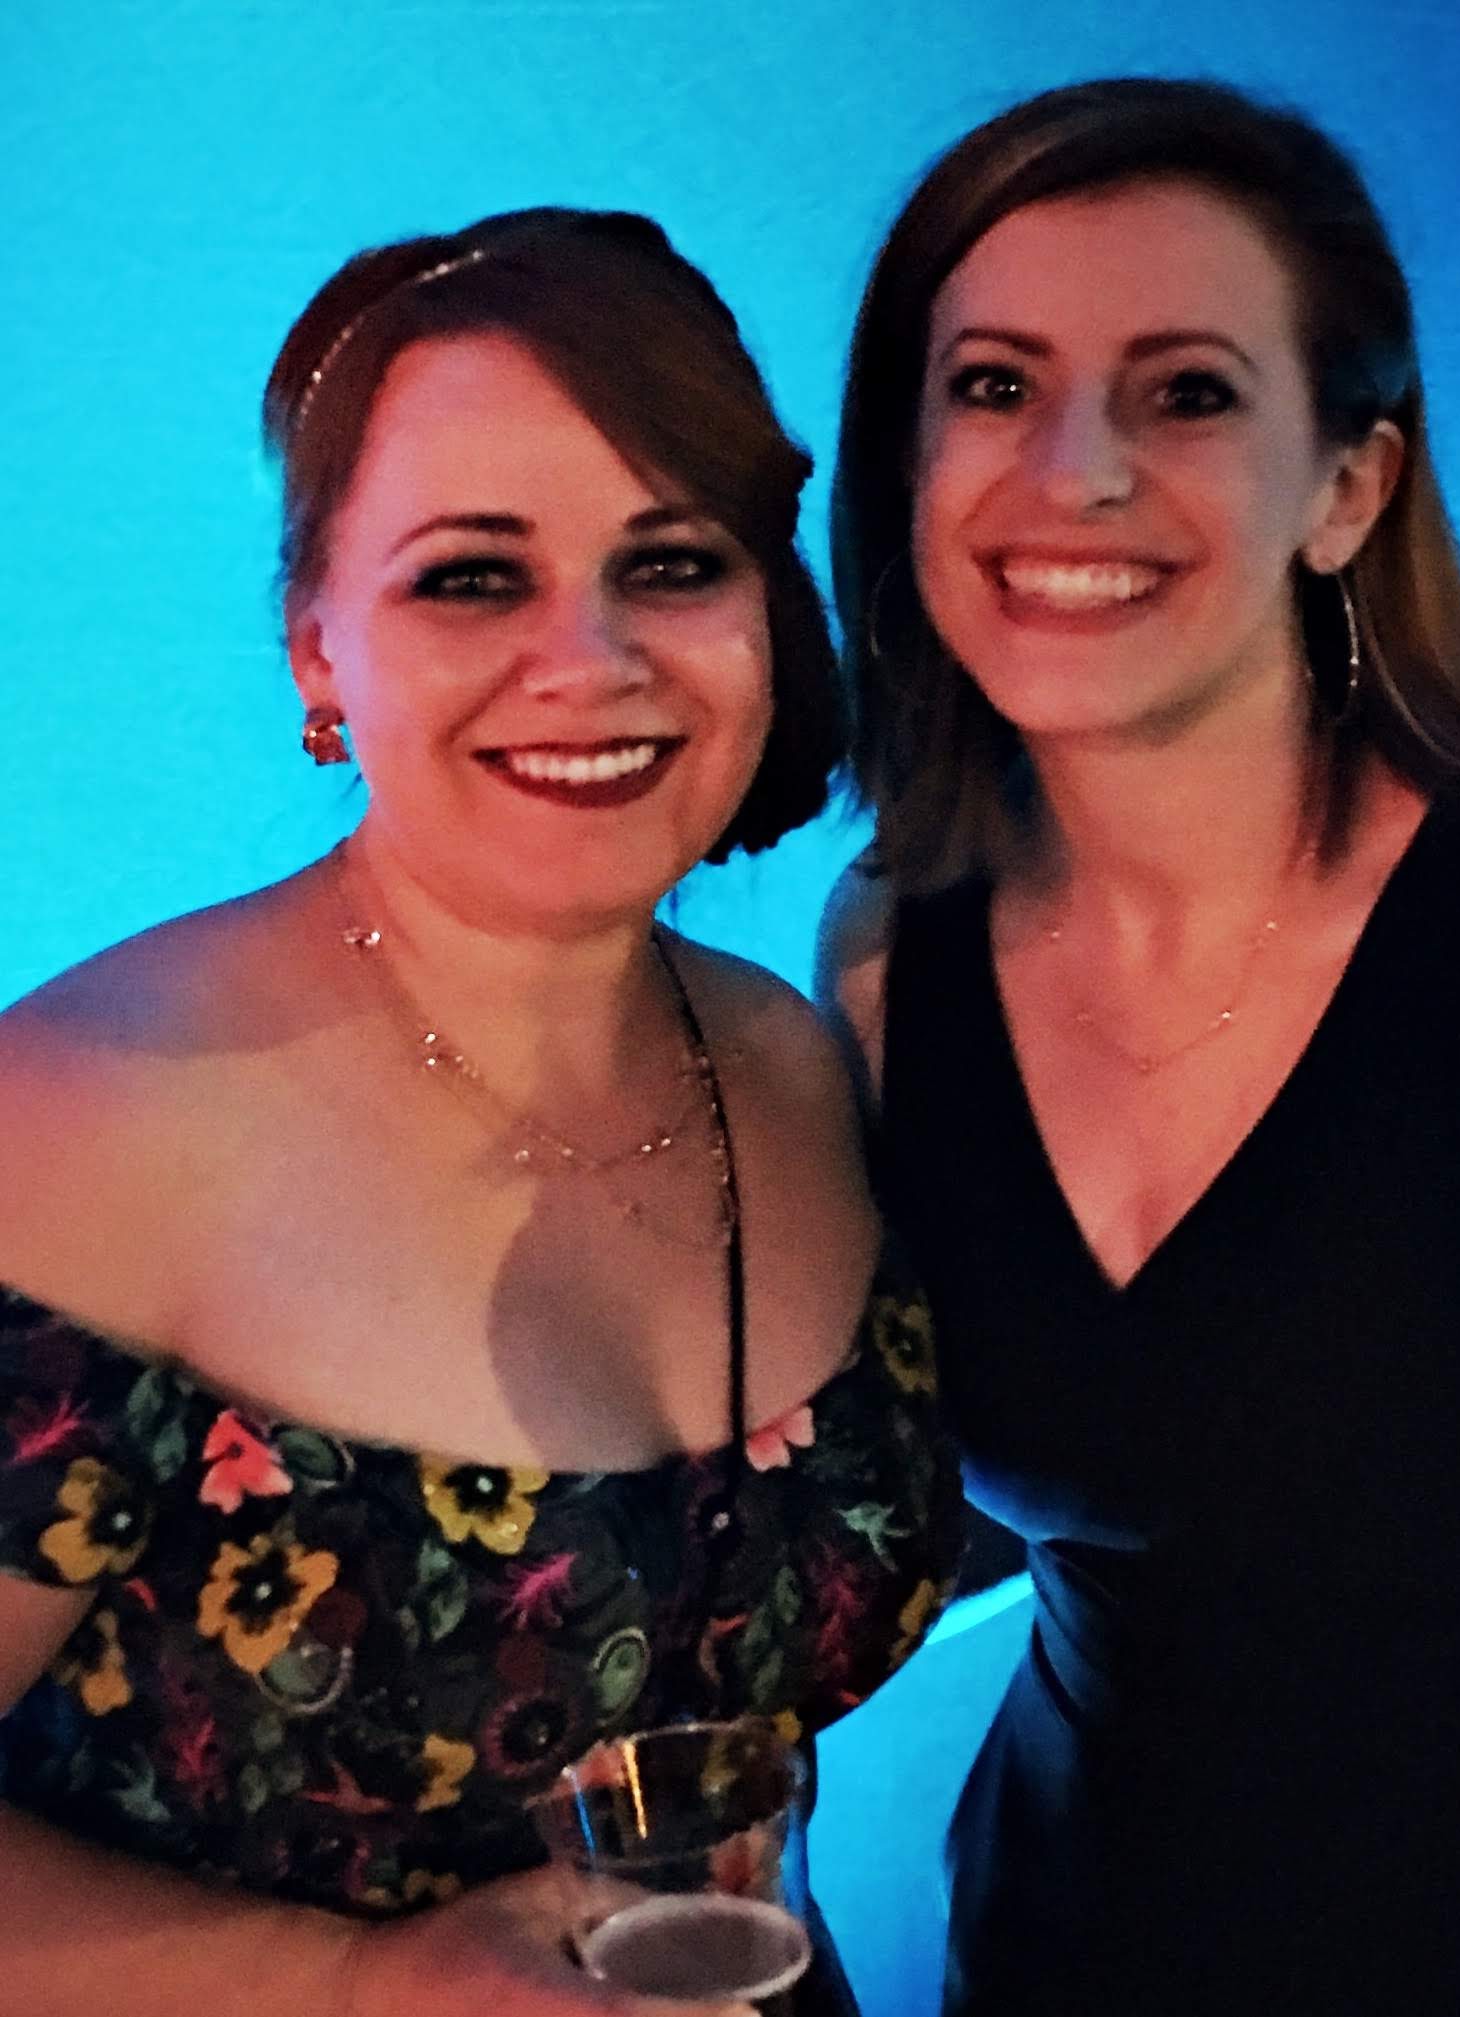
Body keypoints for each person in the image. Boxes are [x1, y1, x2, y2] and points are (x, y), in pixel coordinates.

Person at [818, 77, 1460, 2017]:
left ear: (1349, 488)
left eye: (1185, 392)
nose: (1072, 470)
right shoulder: (889, 950)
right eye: (992, 386)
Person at [0, 207, 961, 2017]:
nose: (590, 657)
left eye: (670, 563)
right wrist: (345, 1982)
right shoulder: (79, 1125)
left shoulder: (795, 1058)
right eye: (469, 577)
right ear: (316, 648)